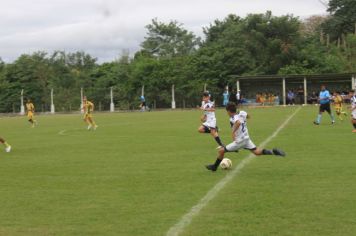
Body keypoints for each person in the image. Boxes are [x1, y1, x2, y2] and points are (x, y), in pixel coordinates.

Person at [206, 102, 285, 172]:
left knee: (221, 151)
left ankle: (214, 167)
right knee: (257, 152)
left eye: (227, 112)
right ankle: (273, 152)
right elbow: (248, 116)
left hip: (240, 141)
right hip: (246, 138)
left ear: (229, 111)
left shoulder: (233, 117)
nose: (227, 113)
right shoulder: (242, 112)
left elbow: (238, 122)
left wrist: (233, 131)